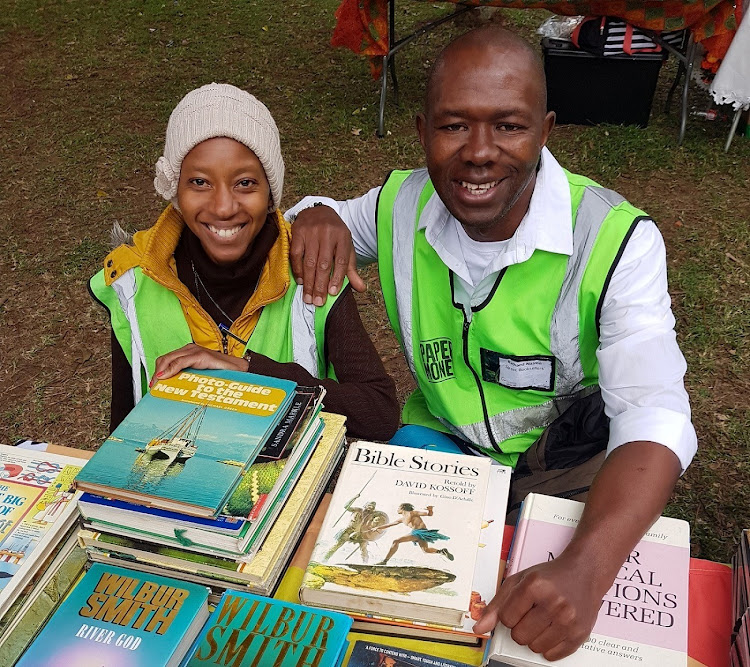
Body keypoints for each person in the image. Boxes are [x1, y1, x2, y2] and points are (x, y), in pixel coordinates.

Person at [285, 27, 696, 661]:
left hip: (569, 465)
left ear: (546, 129)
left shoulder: (616, 239)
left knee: (542, 639)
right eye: (454, 126)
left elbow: (654, 413)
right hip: (440, 450)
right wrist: (314, 213)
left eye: (509, 126)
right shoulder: (401, 203)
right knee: (381, 619)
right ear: (422, 131)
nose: (480, 153)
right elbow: (325, 217)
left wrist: (588, 568)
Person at [90, 83, 399, 440]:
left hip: (288, 486)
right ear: (175, 189)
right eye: (200, 182)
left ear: (271, 191)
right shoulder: (134, 280)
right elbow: (122, 430)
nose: (223, 207)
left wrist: (249, 371)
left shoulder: (311, 269)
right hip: (177, 486)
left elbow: (378, 413)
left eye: (245, 183)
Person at [375, 503, 453, 565]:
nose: (397, 509)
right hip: (419, 533)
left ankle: (385, 561)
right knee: (425, 550)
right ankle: (441, 551)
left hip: (419, 532)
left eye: (398, 507)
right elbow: (391, 524)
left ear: (403, 507)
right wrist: (377, 528)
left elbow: (429, 514)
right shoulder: (402, 519)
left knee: (396, 541)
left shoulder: (413, 513)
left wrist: (430, 510)